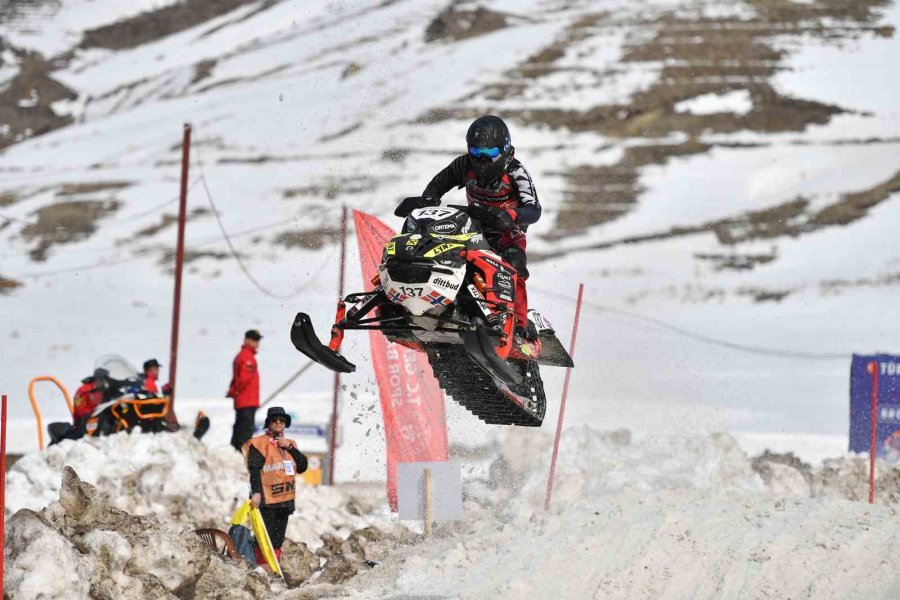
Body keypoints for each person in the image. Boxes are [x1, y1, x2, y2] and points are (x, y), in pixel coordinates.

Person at [396, 115, 542, 340]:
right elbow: (438, 183)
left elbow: (534, 209)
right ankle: (425, 304)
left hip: (507, 233)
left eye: (489, 154)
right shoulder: (463, 164)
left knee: (515, 265)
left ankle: (519, 327)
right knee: (441, 252)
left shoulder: (516, 171)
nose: (482, 160)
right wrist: (428, 199)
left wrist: (510, 215)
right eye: (476, 153)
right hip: (471, 227)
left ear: (504, 150)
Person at [243, 406, 307, 568]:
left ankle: (273, 569)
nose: (278, 423)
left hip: (285, 500)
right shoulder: (259, 443)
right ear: (268, 423)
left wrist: (290, 448)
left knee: (277, 539)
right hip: (266, 500)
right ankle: (261, 568)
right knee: (264, 538)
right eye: (274, 420)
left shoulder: (290, 444)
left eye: (282, 420)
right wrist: (256, 493)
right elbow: (254, 470)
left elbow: (302, 466)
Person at [228, 329, 263, 451]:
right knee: (245, 430)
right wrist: (235, 392)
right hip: (247, 400)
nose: (257, 342)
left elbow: (238, 380)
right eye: (254, 339)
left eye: (258, 339)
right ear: (247, 340)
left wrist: (233, 392)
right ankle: (241, 454)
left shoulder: (242, 356)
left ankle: (234, 452)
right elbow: (243, 380)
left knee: (239, 428)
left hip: (243, 400)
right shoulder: (247, 357)